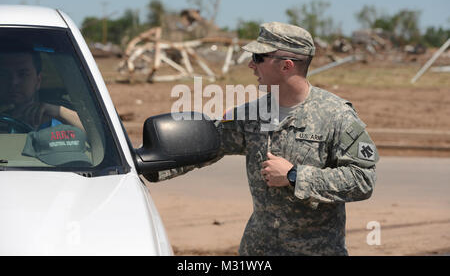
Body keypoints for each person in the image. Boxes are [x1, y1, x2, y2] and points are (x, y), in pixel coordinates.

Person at [147, 22, 378, 255]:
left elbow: (362, 179)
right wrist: (147, 163)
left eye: (258, 57)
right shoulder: (250, 115)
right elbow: (205, 145)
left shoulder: (336, 116)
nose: (251, 65)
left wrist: (294, 176)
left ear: (286, 66)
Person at [0, 46, 83, 131]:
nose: (14, 82)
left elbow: (94, 133)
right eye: (4, 74)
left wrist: (60, 112)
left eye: (23, 74)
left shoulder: (55, 120)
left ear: (38, 81)